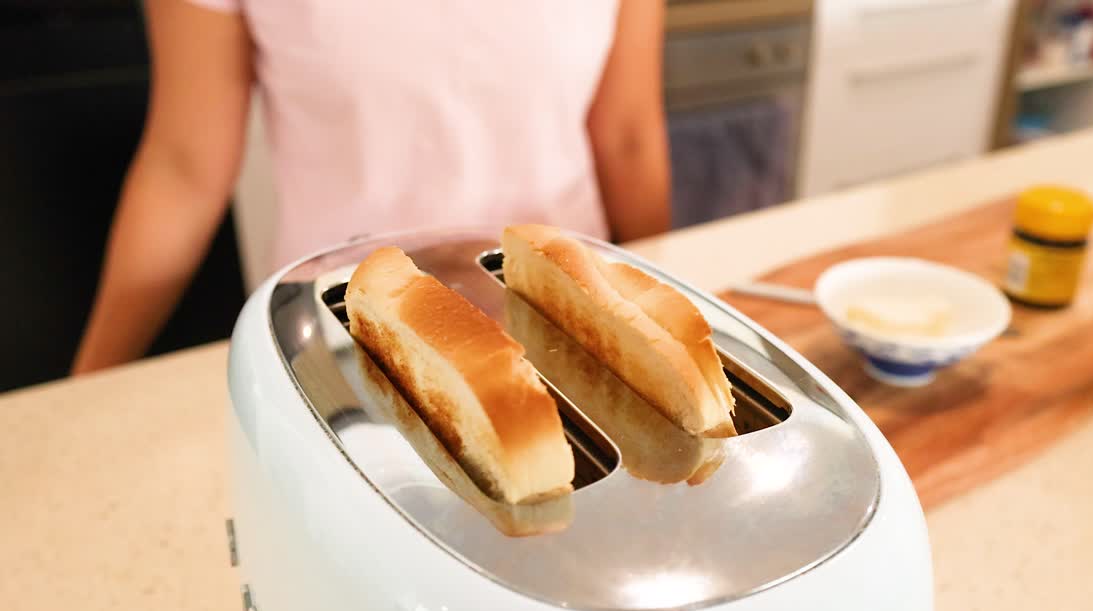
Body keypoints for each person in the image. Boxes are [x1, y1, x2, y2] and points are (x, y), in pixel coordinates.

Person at [73, 0, 670, 374]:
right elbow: (183, 165)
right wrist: (89, 387)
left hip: (565, 324)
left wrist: (657, 326)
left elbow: (627, 135)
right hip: (342, 340)